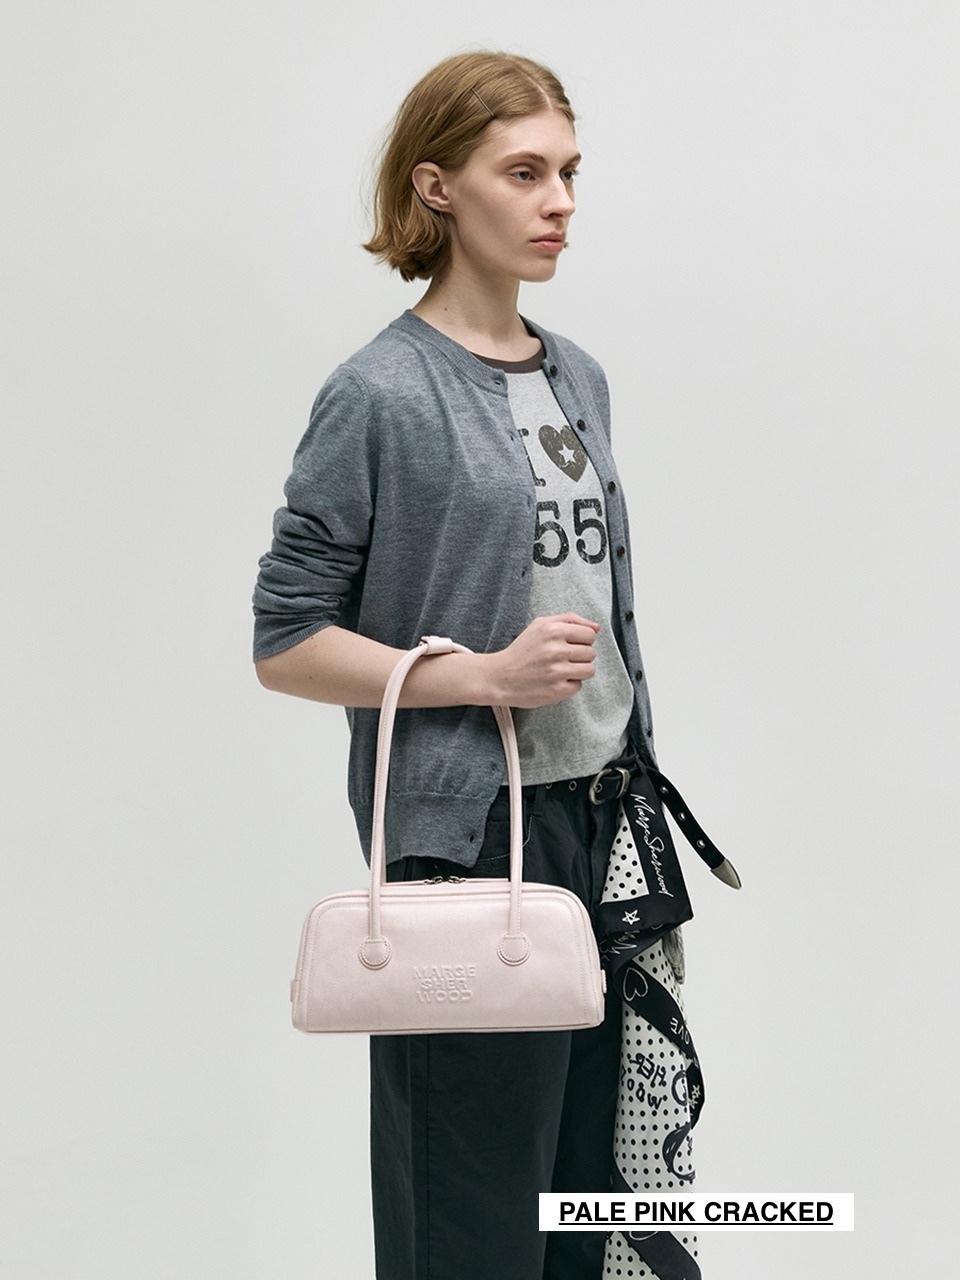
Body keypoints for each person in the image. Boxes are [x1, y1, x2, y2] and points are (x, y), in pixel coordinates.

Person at [253, 50, 702, 1280]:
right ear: (437, 186)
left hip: (606, 823)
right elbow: (285, 639)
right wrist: (483, 676)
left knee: (593, 1197)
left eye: (569, 172)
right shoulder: (379, 393)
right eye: (524, 172)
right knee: (468, 1212)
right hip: (467, 843)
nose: (560, 202)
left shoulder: (576, 375)